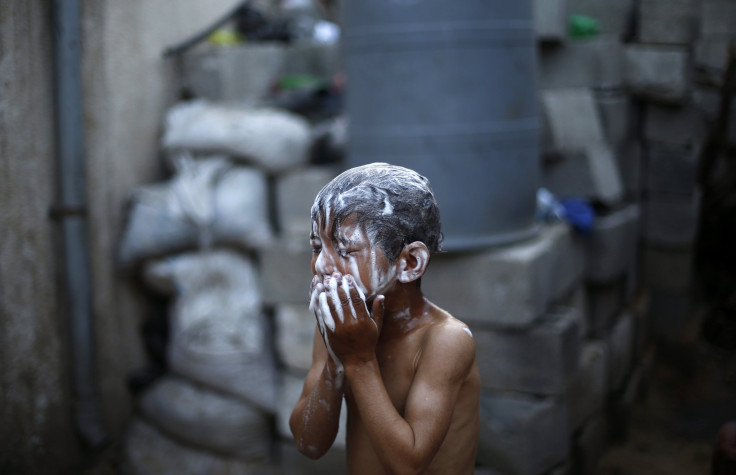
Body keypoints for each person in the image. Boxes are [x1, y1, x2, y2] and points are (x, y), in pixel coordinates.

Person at [289, 163, 480, 474]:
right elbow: (309, 444)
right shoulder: (339, 327)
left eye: (344, 249)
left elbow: (409, 464)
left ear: (409, 262)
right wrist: (337, 362)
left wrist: (360, 361)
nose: (321, 265)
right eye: (316, 246)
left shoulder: (445, 340)